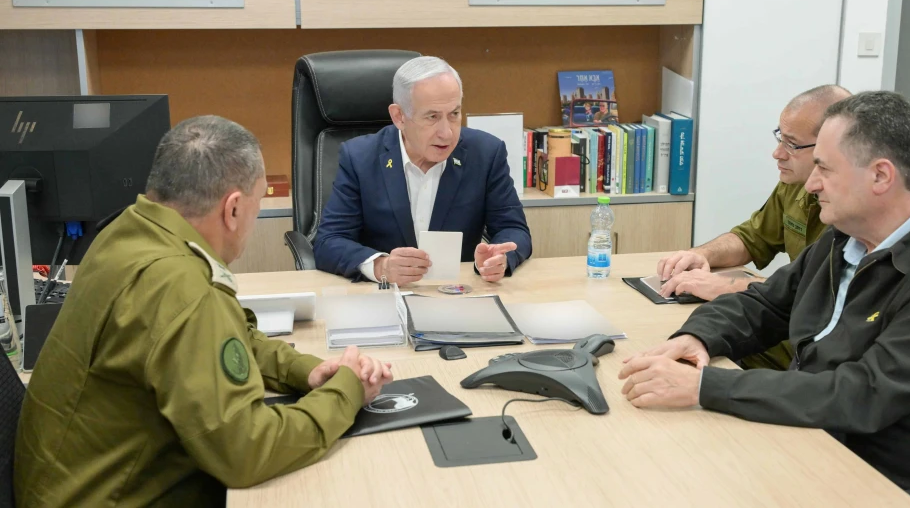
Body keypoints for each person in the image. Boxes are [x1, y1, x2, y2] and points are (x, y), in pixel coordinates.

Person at [620, 92, 910, 496]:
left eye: (823, 168)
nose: (812, 182)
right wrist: (695, 338)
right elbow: (766, 303)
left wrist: (702, 387)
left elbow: (864, 393)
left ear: (880, 176)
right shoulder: (848, 235)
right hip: (815, 441)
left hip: (895, 481)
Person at [15, 116, 394, 507]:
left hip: (73, 485)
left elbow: (230, 335)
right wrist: (345, 392)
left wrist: (304, 371)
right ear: (232, 209)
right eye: (259, 200)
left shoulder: (131, 232)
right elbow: (247, 452)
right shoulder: (184, 290)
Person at [657, 84, 851, 370]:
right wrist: (703, 255)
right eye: (779, 138)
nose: (777, 153)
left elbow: (820, 298)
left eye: (792, 144)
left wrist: (729, 287)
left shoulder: (854, 213)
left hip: (805, 350)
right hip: (777, 334)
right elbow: (754, 238)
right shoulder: (794, 185)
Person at [313, 56, 531, 285]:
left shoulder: (485, 154)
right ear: (399, 117)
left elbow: (513, 229)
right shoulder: (360, 158)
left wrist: (499, 258)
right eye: (432, 117)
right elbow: (329, 241)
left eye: (454, 114)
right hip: (381, 299)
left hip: (457, 296)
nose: (446, 133)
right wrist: (381, 266)